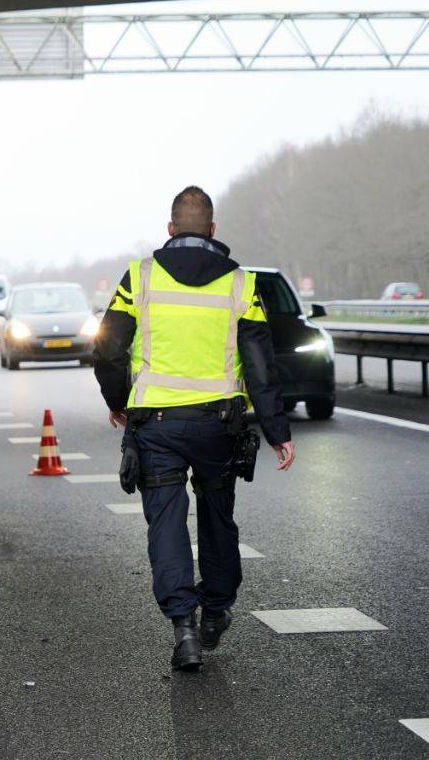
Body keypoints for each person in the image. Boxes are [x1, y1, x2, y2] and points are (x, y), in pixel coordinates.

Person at [93, 186, 295, 671]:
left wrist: (119, 401)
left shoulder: (139, 277)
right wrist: (277, 430)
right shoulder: (240, 284)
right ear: (212, 230)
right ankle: (216, 611)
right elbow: (259, 363)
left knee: (166, 521)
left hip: (156, 426)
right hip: (218, 427)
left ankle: (183, 627)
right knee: (217, 517)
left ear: (169, 230)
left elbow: (107, 349)